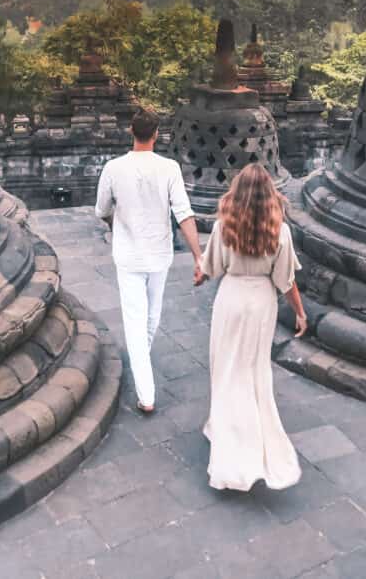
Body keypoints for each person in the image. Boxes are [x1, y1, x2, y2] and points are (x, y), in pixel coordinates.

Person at [194, 163, 308, 492]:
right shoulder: (280, 232)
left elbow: (210, 268)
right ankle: (247, 437)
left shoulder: (223, 226)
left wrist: (200, 273)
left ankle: (226, 432)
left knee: (225, 368)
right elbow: (286, 280)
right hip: (261, 303)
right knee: (253, 371)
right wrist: (299, 312)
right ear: (269, 194)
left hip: (230, 300)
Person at [95, 108, 203, 415]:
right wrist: (198, 256)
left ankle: (141, 369)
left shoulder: (114, 168)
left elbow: (101, 209)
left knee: (140, 319)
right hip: (158, 253)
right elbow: (184, 213)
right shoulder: (168, 168)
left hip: (131, 254)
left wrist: (117, 224)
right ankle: (146, 392)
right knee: (149, 316)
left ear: (131, 130)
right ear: (156, 134)